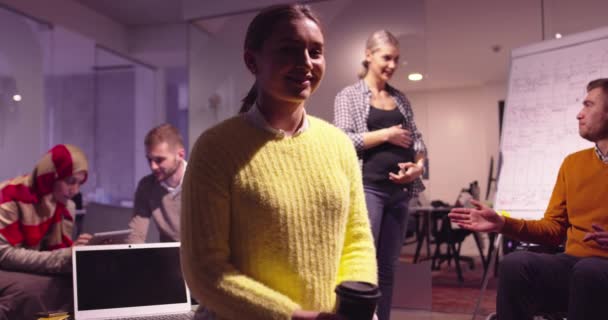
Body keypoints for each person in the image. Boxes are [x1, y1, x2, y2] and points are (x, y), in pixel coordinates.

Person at [180, 4, 377, 320]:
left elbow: (357, 242)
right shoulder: (216, 148)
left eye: (315, 52)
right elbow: (206, 272)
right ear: (251, 60)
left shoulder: (338, 144)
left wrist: (356, 306)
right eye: (289, 50)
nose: (306, 63)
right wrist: (295, 317)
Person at [448, 78, 608, 320]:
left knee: (589, 271)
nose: (579, 114)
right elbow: (554, 229)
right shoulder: (573, 163)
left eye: (588, 105)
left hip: (597, 270)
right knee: (515, 264)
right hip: (574, 263)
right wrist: (502, 224)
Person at [333, 30, 426, 320]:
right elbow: (343, 139)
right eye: (387, 57)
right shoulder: (348, 95)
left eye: (396, 59)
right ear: (369, 55)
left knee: (387, 269)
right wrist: (386, 134)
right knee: (363, 266)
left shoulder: (400, 99)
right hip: (368, 189)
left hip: (400, 194)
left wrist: (418, 167)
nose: (392, 65)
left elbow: (418, 140)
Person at [0, 144, 90, 320]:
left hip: (25, 267)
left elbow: (54, 253)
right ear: (50, 176)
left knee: (77, 283)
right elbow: (3, 254)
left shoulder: (65, 206)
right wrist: (64, 256)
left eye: (79, 183)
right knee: (36, 289)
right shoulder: (9, 197)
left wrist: (79, 250)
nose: (75, 191)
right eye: (70, 181)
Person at [127, 123, 186, 243]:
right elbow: (135, 236)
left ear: (180, 155)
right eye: (149, 160)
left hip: (200, 258)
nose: (153, 166)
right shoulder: (146, 186)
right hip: (168, 258)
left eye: (159, 160)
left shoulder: (201, 182)